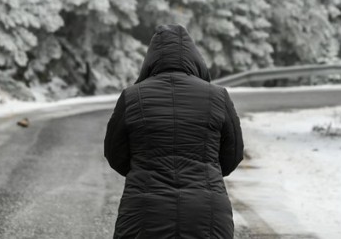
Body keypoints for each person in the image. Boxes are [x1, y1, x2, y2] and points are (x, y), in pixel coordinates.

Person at [104, 24, 244, 238]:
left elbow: (115, 154)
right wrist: (207, 173)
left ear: (151, 59)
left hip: (144, 210)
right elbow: (232, 154)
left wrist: (143, 170)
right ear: (195, 58)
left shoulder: (133, 96)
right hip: (207, 211)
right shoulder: (217, 96)